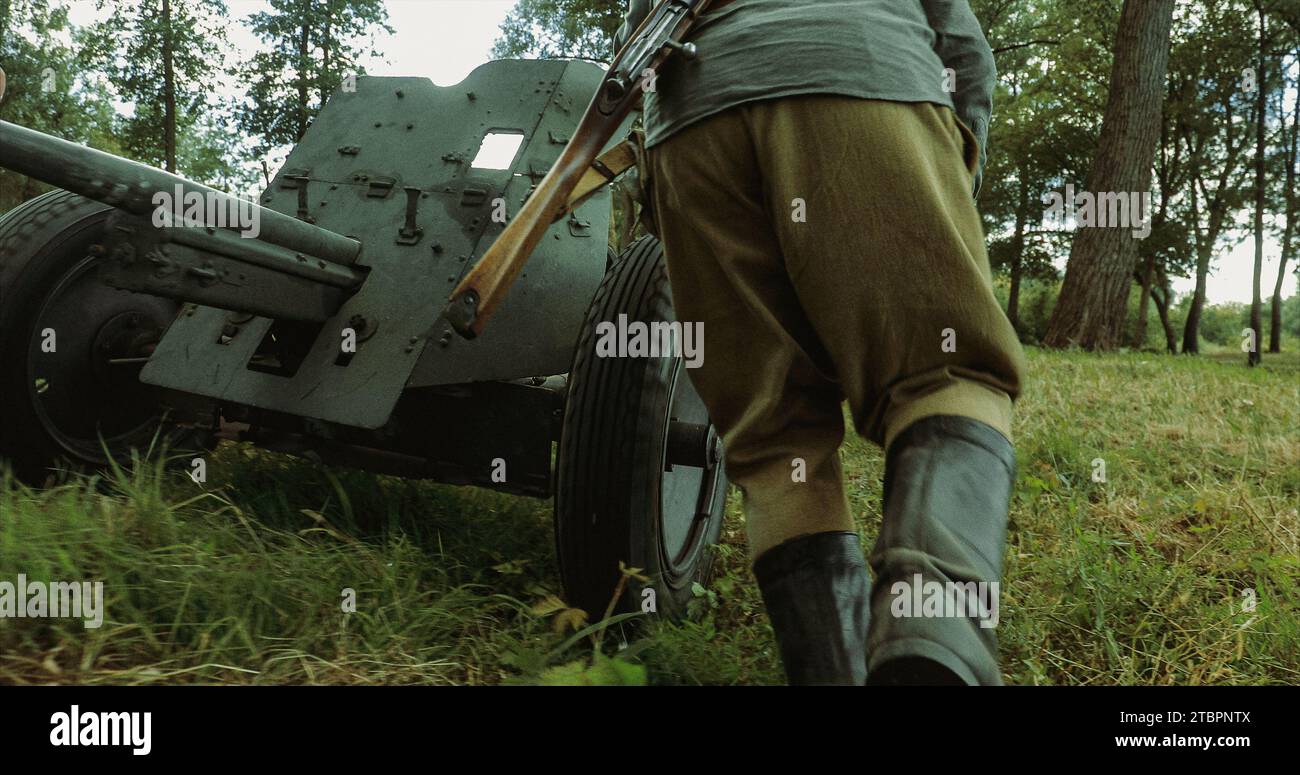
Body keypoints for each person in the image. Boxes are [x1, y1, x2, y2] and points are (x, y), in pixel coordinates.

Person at [614, 0, 1027, 685]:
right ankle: (936, 631)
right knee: (947, 372)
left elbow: (637, 36)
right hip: (861, 72)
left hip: (691, 128)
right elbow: (963, 47)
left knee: (775, 447)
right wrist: (954, 170)